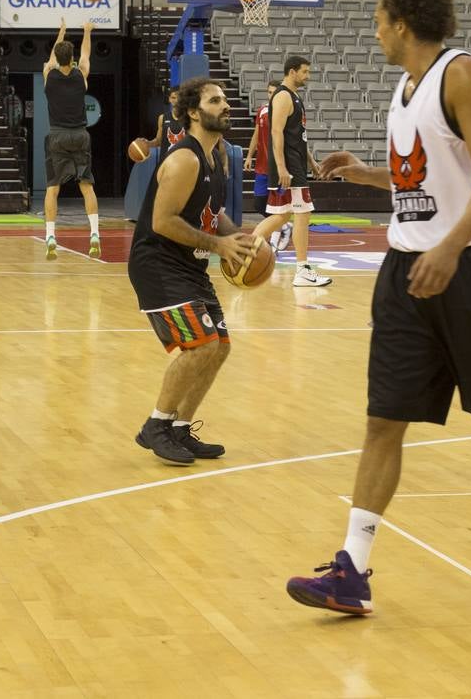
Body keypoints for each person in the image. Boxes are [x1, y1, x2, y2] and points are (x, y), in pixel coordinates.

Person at [286, 0, 471, 615]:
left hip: (468, 268)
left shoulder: (462, 75)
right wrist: (363, 174)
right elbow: (422, 181)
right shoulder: (403, 87)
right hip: (406, 271)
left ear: (401, 22)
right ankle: (351, 567)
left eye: (378, 19)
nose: (374, 31)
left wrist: (450, 246)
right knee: (384, 418)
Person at [128, 77, 257, 465]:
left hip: (188, 264)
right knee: (200, 345)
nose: (225, 105)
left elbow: (211, 213)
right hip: (158, 264)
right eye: (215, 101)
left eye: (225, 99)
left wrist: (240, 239)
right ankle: (155, 426)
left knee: (219, 348)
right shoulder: (185, 158)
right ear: (193, 113)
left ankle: (181, 428)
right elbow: (163, 221)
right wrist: (219, 246)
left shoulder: (217, 156)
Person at [250, 56, 331, 287]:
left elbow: (296, 137)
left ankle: (247, 250)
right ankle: (302, 269)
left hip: (295, 163)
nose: (308, 76)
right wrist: (282, 166)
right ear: (292, 71)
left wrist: (313, 163)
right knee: (302, 214)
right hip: (288, 167)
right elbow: (276, 133)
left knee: (283, 216)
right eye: (305, 72)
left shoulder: (293, 96)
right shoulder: (284, 96)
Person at [41, 17, 99, 260]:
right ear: (72, 59)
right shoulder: (80, 75)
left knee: (52, 189)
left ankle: (50, 236)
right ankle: (95, 234)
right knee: (86, 187)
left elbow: (54, 56)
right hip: (80, 135)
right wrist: (86, 31)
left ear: (56, 58)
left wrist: (62, 30)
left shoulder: (48, 74)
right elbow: (86, 54)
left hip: (57, 136)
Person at [244, 78, 292, 251]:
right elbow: (256, 135)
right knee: (258, 204)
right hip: (262, 166)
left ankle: (273, 243)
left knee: (277, 207)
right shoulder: (262, 111)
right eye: (269, 92)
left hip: (279, 167)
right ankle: (284, 226)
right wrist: (249, 155)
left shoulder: (285, 111)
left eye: (275, 93)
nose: (272, 96)